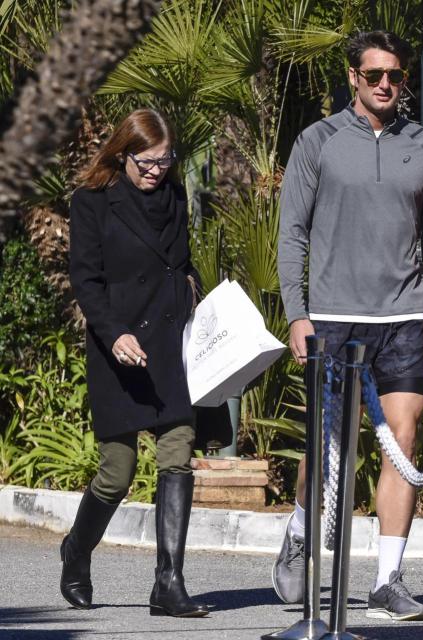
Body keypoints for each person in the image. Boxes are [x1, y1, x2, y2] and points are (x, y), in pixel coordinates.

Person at [274, 30, 423, 621]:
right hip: (335, 318)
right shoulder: (318, 141)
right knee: (328, 445)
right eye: (374, 75)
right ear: (353, 76)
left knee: (403, 443)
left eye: (395, 76)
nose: (385, 84)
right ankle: (300, 530)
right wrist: (298, 314)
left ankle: (387, 580)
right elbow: (292, 233)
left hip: (405, 317)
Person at [64, 108, 208, 618]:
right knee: (117, 470)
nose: (155, 171)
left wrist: (197, 298)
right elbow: (86, 280)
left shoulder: (175, 195)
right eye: (146, 161)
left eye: (164, 161)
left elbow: (182, 264)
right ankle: (76, 550)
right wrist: (114, 332)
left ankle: (169, 583)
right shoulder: (91, 201)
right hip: (118, 348)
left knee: (177, 453)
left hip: (168, 344)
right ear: (122, 153)